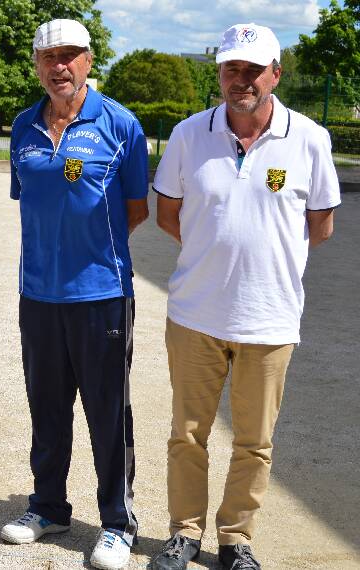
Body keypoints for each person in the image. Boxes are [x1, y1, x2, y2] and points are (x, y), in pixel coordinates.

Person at [149, 24, 340, 570]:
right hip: (195, 314)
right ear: (219, 74)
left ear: (276, 74)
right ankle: (183, 533)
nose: (242, 80)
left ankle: (235, 539)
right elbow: (169, 214)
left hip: (271, 317)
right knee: (188, 435)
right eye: (231, 68)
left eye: (253, 70)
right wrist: (216, 252)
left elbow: (320, 224)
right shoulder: (189, 135)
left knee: (254, 443)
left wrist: (260, 256)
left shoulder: (309, 138)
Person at [0, 18, 149, 570]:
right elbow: (31, 200)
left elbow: (136, 211)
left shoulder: (121, 124)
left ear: (88, 60)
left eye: (69, 55)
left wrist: (89, 258)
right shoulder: (23, 126)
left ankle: (117, 522)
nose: (58, 65)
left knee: (108, 412)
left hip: (102, 294)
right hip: (38, 294)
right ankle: (48, 507)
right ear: (37, 65)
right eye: (47, 56)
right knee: (47, 407)